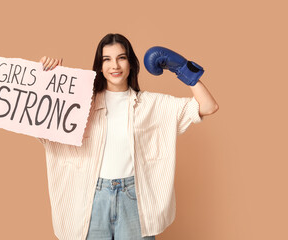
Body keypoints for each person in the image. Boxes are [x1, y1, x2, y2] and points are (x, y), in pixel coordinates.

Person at [38, 33, 218, 240]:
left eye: (121, 58)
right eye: (107, 59)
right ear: (99, 66)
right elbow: (43, 126)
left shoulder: (151, 105)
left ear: (131, 63)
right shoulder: (81, 104)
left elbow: (208, 106)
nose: (114, 65)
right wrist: (45, 80)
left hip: (133, 198)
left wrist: (182, 68)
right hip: (93, 198)